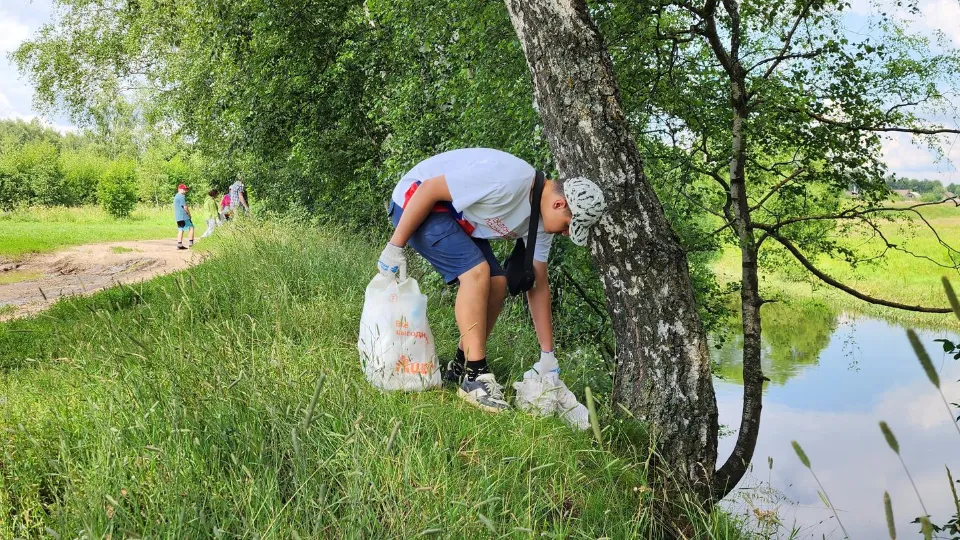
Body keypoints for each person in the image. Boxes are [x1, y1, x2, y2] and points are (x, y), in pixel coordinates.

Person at [378, 148, 606, 423]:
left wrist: (548, 355)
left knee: (497, 283)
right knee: (477, 272)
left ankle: (460, 367)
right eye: (570, 226)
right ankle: (476, 376)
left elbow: (538, 284)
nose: (567, 233)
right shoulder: (508, 182)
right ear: (559, 205)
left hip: (455, 217)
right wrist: (395, 246)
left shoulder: (541, 224)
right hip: (413, 202)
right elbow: (429, 189)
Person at [173, 183, 194, 250]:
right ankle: (191, 244)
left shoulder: (176, 196)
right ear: (179, 189)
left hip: (178, 216)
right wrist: (189, 214)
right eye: (184, 189)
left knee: (181, 229)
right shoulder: (181, 196)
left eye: (185, 189)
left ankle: (179, 244)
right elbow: (185, 207)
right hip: (184, 216)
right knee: (191, 228)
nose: (185, 191)